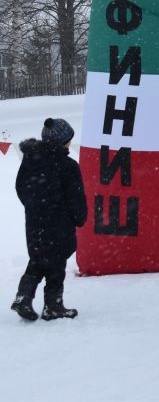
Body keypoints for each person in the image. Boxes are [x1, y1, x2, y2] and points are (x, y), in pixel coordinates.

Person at [10, 118, 87, 322]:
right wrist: (80, 217)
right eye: (69, 139)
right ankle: (53, 306)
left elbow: (21, 187)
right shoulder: (68, 165)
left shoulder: (30, 160)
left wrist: (34, 206)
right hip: (59, 224)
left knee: (38, 259)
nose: (71, 143)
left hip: (35, 222)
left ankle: (23, 297)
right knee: (56, 265)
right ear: (63, 141)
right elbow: (75, 196)